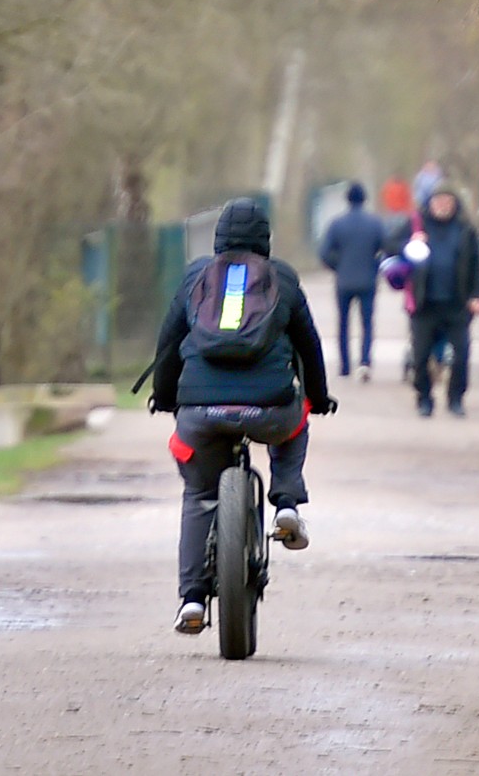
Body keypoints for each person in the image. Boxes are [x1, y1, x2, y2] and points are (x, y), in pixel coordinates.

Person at [150, 197, 337, 635]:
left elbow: (167, 342)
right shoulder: (283, 278)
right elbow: (308, 345)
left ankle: (192, 599)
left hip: (201, 413)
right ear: (265, 239)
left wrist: (164, 397)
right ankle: (286, 503)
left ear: (218, 237)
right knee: (295, 424)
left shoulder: (197, 276)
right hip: (270, 408)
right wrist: (319, 395)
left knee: (199, 495)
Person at [386, 183, 479, 417]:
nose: (442, 207)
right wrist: (410, 243)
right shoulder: (415, 225)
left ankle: (456, 399)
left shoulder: (465, 230)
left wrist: (476, 296)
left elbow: (477, 267)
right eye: (438, 202)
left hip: (457, 305)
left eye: (447, 202)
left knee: (461, 355)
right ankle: (424, 399)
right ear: (430, 205)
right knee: (420, 357)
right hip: (424, 305)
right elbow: (389, 245)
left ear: (455, 205)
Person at [319, 181, 386, 381]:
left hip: (344, 281)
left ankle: (345, 366)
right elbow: (386, 248)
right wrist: (375, 267)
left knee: (343, 323)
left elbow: (324, 253)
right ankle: (364, 362)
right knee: (366, 323)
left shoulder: (337, 224)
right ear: (364, 199)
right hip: (367, 280)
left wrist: (338, 266)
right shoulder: (375, 223)